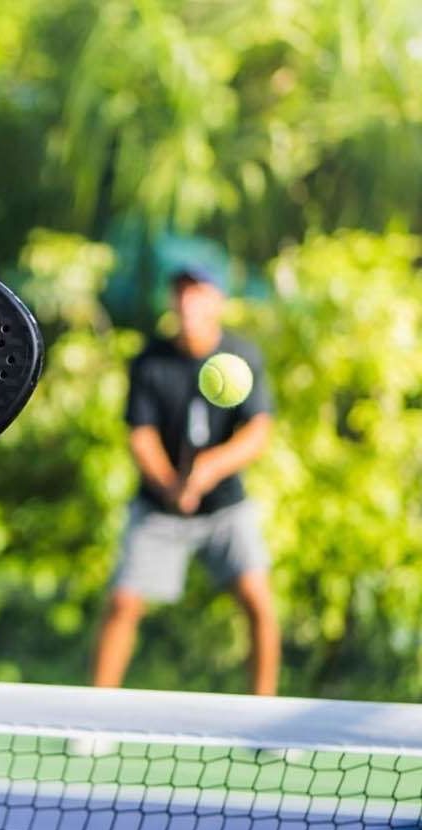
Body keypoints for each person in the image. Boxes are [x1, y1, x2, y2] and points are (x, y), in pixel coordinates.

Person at [91, 263, 279, 696]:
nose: (188, 301)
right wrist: (172, 486)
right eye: (181, 292)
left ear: (218, 300)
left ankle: (266, 716)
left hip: (226, 507)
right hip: (158, 507)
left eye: (198, 291)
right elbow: (141, 436)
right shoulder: (149, 360)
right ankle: (93, 719)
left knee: (259, 602)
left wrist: (210, 467)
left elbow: (257, 432)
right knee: (122, 603)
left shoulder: (244, 356)